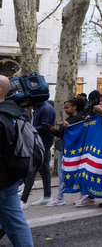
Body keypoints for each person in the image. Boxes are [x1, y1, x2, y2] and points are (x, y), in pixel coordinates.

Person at [0, 75, 34, 246]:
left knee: (14, 222)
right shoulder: (17, 113)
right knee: (11, 219)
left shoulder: (1, 117)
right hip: (12, 175)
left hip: (2, 180)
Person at [47, 98, 87, 207]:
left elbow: (77, 134)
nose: (65, 110)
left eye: (67, 107)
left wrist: (67, 127)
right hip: (65, 149)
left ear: (74, 107)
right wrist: (56, 131)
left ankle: (82, 196)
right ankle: (61, 197)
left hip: (73, 151)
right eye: (64, 108)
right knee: (62, 173)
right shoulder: (69, 118)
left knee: (74, 172)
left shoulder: (79, 118)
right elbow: (63, 135)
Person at [20, 100, 56, 209]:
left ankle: (24, 200)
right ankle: (47, 196)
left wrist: (27, 128)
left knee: (33, 168)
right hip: (41, 141)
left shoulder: (46, 108)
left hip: (44, 141)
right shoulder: (40, 107)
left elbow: (45, 127)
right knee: (44, 169)